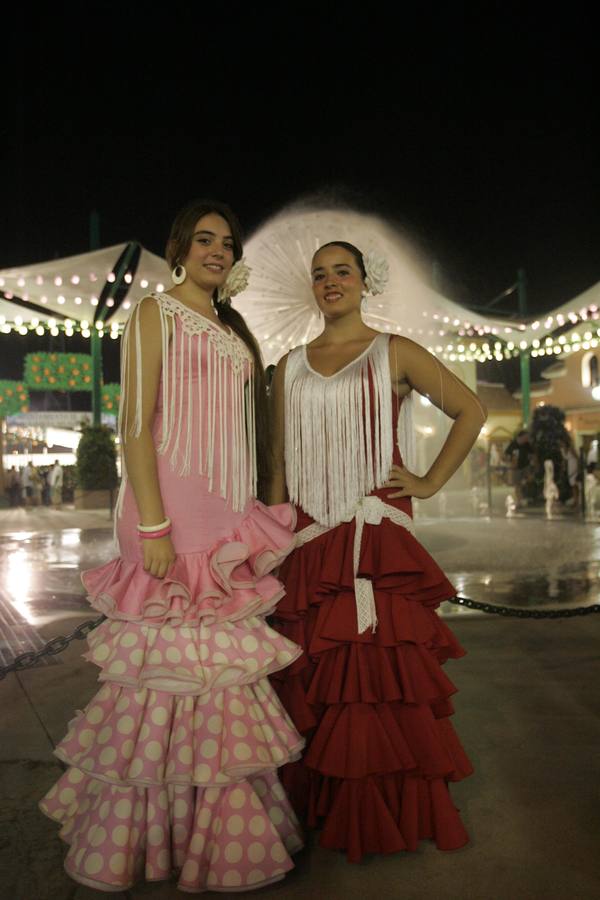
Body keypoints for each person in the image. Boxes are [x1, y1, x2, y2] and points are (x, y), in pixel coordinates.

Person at [40, 200, 304, 893]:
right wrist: (152, 525)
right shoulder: (155, 312)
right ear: (180, 248)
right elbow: (135, 423)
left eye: (227, 241)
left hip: (222, 515)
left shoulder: (233, 326)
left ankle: (212, 833)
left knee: (218, 678)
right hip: (169, 516)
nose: (218, 250)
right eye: (205, 239)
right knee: (169, 672)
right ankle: (148, 838)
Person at [268, 240, 487, 863]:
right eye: (320, 275)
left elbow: (471, 410)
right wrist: (275, 537)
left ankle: (381, 813)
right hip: (310, 546)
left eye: (343, 272)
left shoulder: (397, 352)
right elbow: (280, 462)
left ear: (365, 282)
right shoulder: (288, 365)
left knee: (376, 685)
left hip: (374, 545)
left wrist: (428, 481)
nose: (331, 282)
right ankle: (322, 809)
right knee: (313, 683)